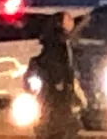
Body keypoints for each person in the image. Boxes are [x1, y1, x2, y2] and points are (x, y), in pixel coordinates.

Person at [26, 11, 80, 139]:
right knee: (55, 116)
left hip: (54, 88)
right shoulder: (57, 42)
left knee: (51, 114)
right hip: (55, 88)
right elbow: (55, 60)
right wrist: (59, 81)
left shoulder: (55, 40)